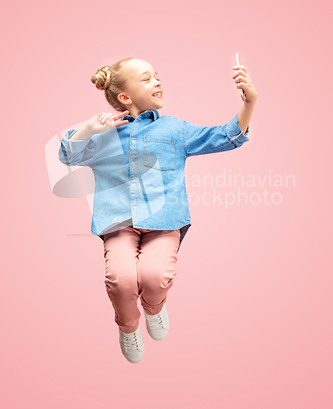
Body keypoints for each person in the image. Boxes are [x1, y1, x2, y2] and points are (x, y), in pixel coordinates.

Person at [58, 57, 257, 364]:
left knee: (154, 277)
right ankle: (128, 326)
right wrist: (88, 129)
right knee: (121, 280)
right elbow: (67, 157)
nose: (158, 82)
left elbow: (226, 136)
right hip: (118, 223)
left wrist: (249, 102)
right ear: (125, 97)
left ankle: (154, 308)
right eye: (147, 79)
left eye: (157, 76)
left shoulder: (175, 129)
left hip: (164, 223)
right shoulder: (102, 132)